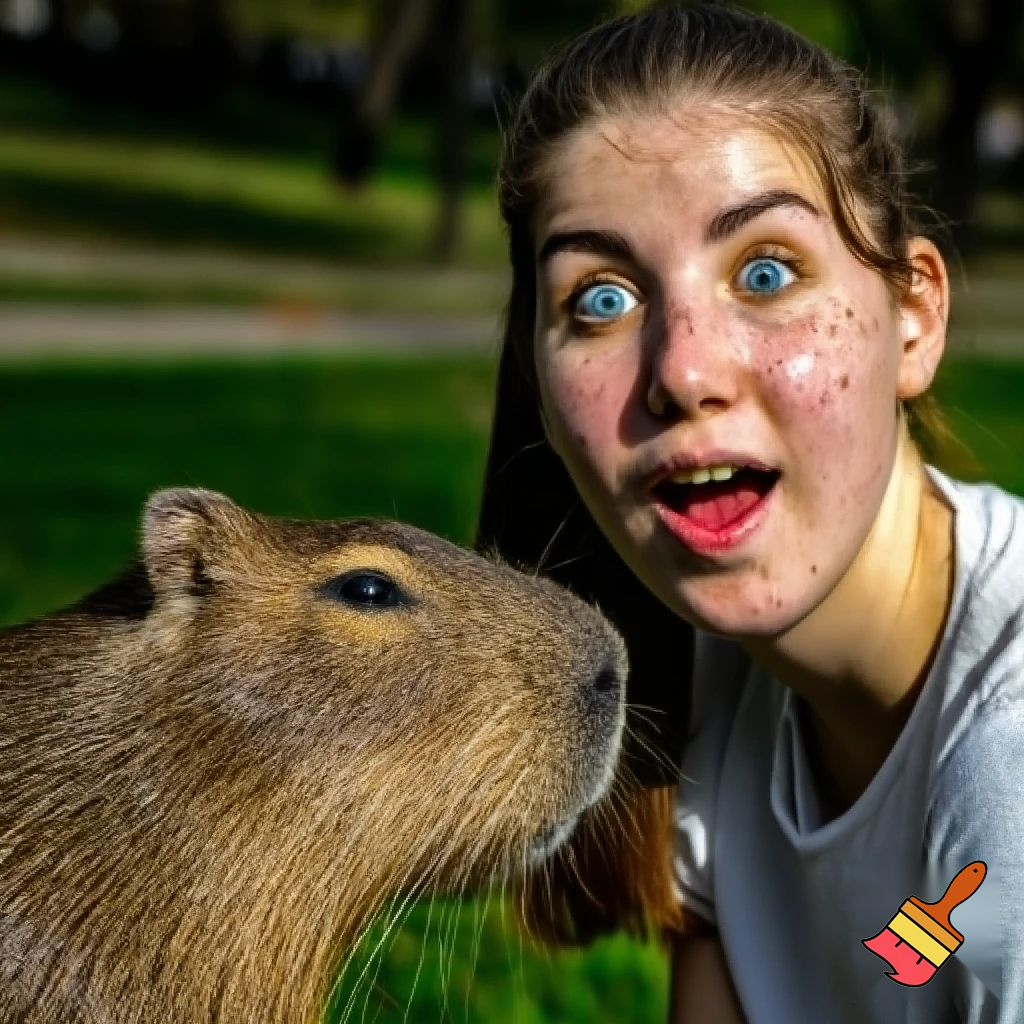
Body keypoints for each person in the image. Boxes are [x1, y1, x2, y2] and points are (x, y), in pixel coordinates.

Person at [474, 6, 1024, 1024]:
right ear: (539, 393)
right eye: (599, 300)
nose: (682, 370)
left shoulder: (1008, 784)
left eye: (766, 273)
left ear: (914, 313)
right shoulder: (704, 684)